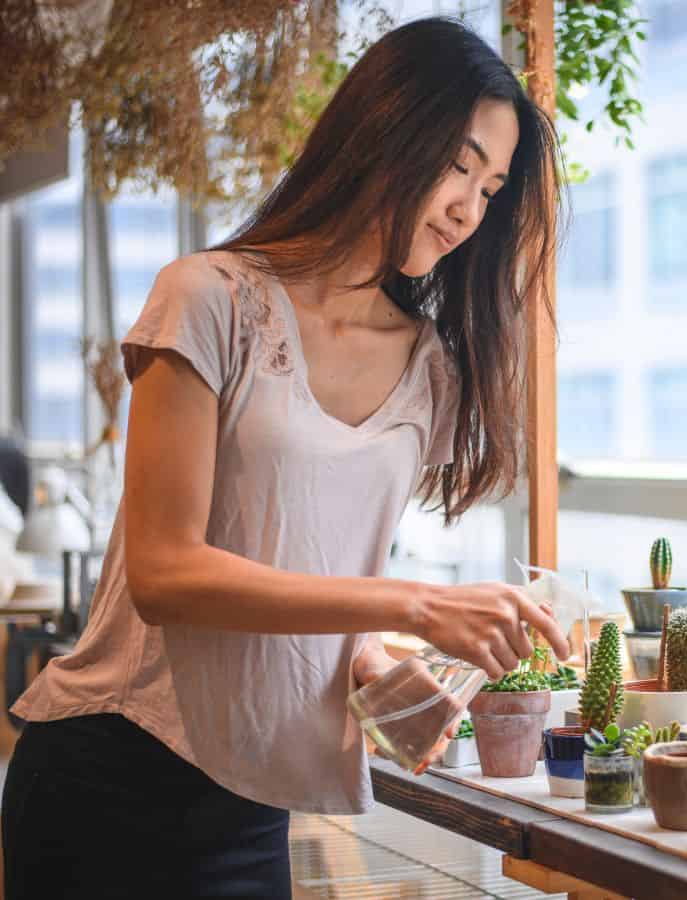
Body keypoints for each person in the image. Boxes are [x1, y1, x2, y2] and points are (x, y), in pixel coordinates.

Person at [1, 17, 569, 900]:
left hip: (253, 808)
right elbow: (164, 572)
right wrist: (416, 605)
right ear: (385, 130)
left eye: (492, 188)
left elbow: (305, 569)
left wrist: (376, 667)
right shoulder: (208, 298)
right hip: (110, 776)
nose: (468, 207)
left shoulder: (433, 372)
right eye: (459, 164)